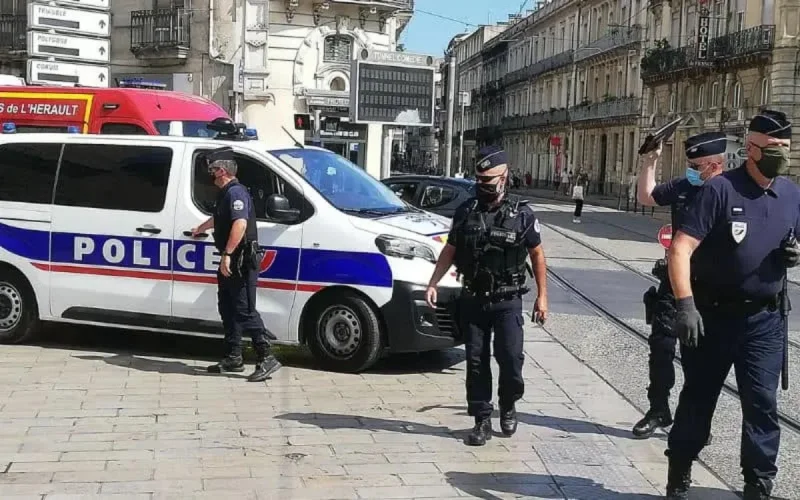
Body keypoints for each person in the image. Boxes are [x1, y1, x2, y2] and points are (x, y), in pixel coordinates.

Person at [665, 110, 800, 500]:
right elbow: (680, 249)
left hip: (764, 320)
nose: (781, 156)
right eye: (773, 149)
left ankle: (758, 482)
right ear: (751, 148)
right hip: (712, 316)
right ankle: (679, 469)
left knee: (762, 403)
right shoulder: (720, 190)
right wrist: (685, 304)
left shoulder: (791, 194)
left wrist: (795, 253)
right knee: (698, 398)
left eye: (786, 149)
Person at [424, 145, 548, 447]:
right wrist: (434, 282)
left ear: (504, 178)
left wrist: (542, 297)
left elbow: (537, 255)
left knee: (510, 359)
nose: (483, 187)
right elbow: (450, 250)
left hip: (508, 299)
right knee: (476, 361)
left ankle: (508, 404)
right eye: (479, 181)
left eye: (489, 182)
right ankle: (481, 418)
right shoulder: (466, 211)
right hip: (474, 297)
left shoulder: (523, 215)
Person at [634, 131, 728, 439]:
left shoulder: (731, 191)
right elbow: (647, 196)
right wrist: (650, 161)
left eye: (697, 164)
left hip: (712, 289)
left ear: (715, 164)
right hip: (675, 282)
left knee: (700, 361)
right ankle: (658, 408)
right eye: (690, 163)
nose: (692, 169)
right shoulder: (686, 185)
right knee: (661, 348)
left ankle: (696, 420)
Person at [190, 146, 282, 383]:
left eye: (212, 169)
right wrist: (201, 228)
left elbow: (239, 225)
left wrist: (228, 254)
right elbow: (222, 218)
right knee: (228, 307)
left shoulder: (236, 193)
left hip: (241, 260)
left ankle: (266, 356)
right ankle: (234, 356)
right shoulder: (226, 194)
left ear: (221, 171)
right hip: (233, 259)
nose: (210, 174)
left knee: (243, 309)